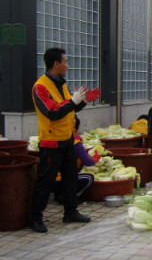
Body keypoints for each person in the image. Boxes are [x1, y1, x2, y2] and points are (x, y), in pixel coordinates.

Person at [30, 47, 101, 233]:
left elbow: (70, 109)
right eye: (65, 62)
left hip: (68, 140)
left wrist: (84, 101)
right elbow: (53, 112)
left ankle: (70, 212)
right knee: (45, 181)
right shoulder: (40, 87)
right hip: (51, 143)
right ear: (56, 64)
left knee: (71, 178)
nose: (68, 66)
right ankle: (36, 217)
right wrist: (73, 102)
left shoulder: (61, 85)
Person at [54, 116, 100, 204]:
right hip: (63, 180)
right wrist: (95, 159)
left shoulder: (56, 139)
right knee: (89, 178)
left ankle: (59, 195)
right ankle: (71, 198)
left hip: (52, 180)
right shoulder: (75, 142)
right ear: (75, 128)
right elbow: (88, 162)